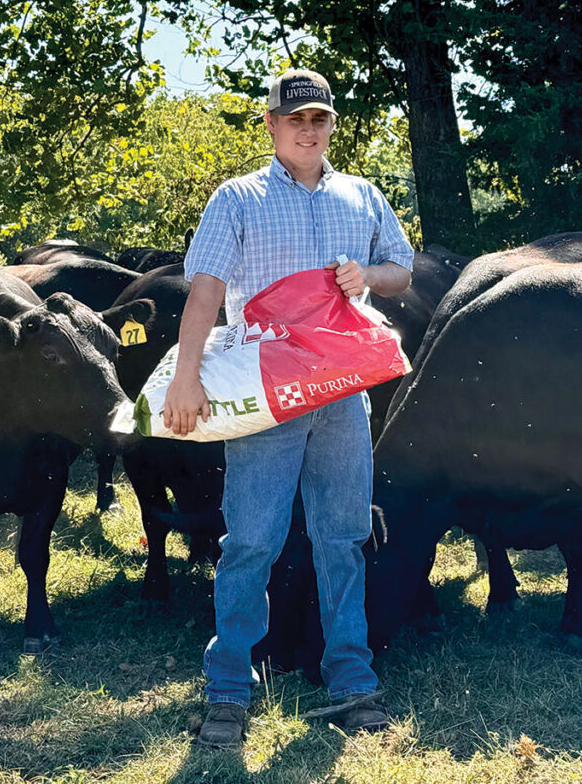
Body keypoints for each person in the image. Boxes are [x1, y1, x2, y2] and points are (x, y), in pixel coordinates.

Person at [163, 68, 414, 748]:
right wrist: (187, 379)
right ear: (272, 126)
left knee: (342, 537)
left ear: (331, 125)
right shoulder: (237, 198)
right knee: (251, 539)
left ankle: (352, 677)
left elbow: (402, 269)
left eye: (320, 119)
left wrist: (369, 277)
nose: (308, 129)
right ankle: (228, 688)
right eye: (295, 119)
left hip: (341, 395)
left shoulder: (361, 196)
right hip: (266, 392)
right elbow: (207, 290)